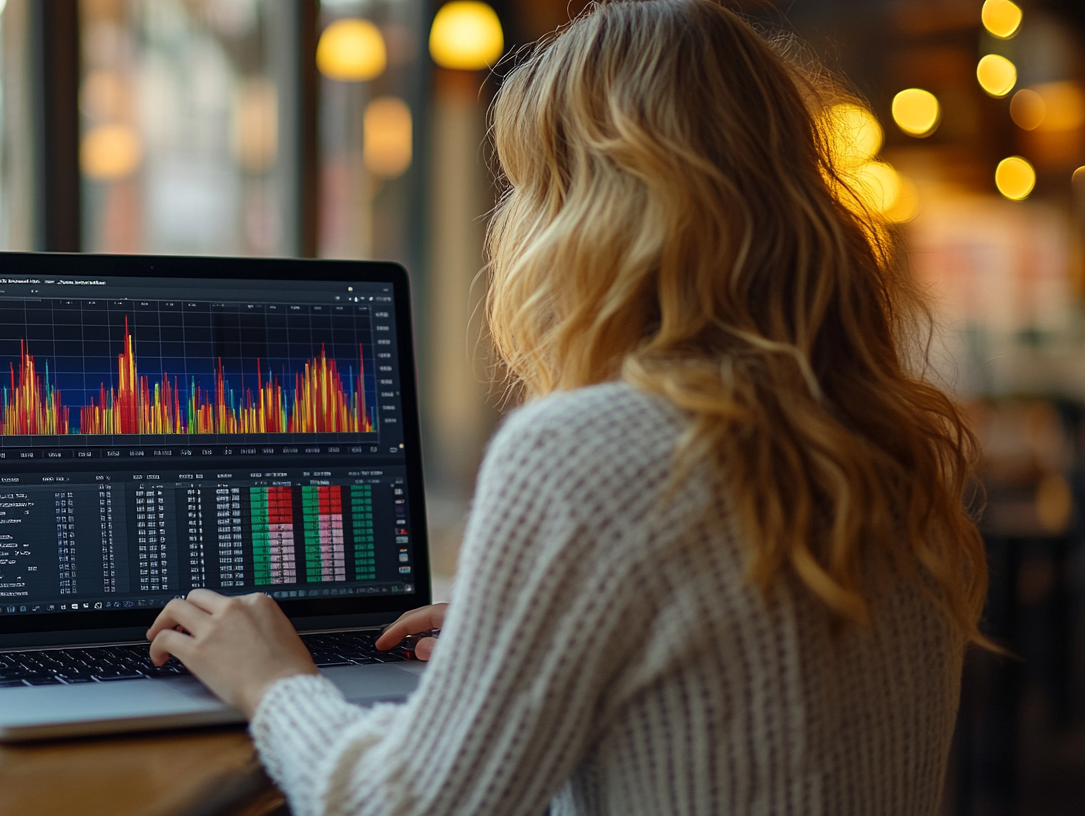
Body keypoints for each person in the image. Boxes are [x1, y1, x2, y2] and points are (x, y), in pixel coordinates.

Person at [145, 1, 991, 813]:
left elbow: (402, 807)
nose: (510, 223)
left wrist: (273, 683)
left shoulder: (584, 452)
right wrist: (514, 647)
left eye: (528, 185)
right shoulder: (892, 448)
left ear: (590, 218)